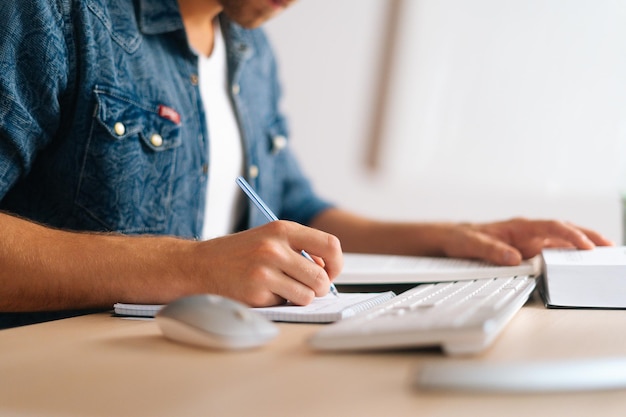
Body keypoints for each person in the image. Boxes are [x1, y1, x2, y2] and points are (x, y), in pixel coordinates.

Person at [0, 0, 612, 328]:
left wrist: (451, 237)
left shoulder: (249, 49)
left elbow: (293, 207)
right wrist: (188, 266)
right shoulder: (56, 14)